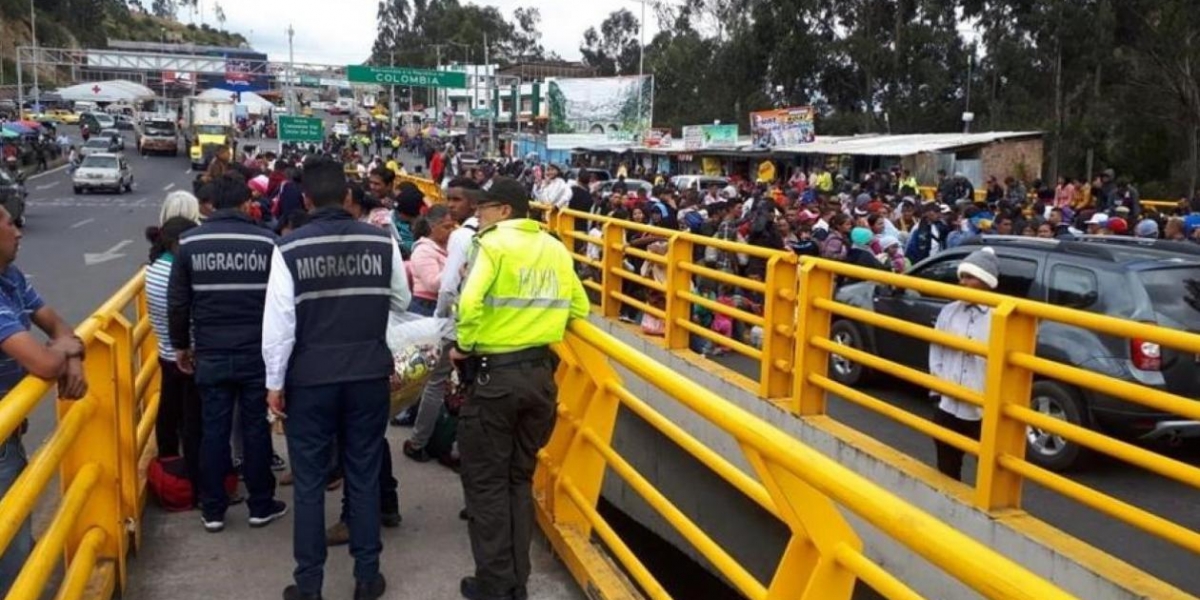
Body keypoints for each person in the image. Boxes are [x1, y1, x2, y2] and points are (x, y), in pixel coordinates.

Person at [262, 157, 410, 600]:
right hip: (368, 374)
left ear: (305, 198)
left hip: (309, 380)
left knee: (308, 484)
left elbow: (279, 326)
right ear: (348, 197)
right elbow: (401, 298)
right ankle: (367, 577)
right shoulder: (382, 241)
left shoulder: (288, 248)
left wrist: (274, 384)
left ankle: (309, 585)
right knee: (363, 475)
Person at [450, 177, 590, 600]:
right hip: (540, 379)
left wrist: (463, 345)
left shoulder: (491, 245)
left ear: (505, 211)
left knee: (486, 484)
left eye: (484, 208)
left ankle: (494, 586)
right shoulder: (555, 248)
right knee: (517, 480)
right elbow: (579, 308)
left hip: (495, 380)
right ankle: (516, 584)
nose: (478, 214)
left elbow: (470, 303)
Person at [167, 172, 287, 534]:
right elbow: (280, 303)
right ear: (245, 203)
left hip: (211, 352)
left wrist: (181, 347)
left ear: (211, 204)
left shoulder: (188, 242)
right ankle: (260, 505)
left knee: (213, 431)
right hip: (256, 353)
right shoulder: (267, 242)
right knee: (255, 430)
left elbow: (178, 303)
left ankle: (214, 509)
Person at [0, 205, 87, 596]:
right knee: (12, 543)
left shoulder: (12, 279)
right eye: (8, 224)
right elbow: (41, 361)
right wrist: (64, 356)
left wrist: (73, 357)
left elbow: (57, 325)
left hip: (10, 429)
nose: (18, 231)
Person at [929, 246, 997, 481]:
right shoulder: (949, 311)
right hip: (948, 404)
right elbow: (936, 352)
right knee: (946, 469)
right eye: (962, 278)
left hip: (982, 409)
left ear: (986, 281)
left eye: (970, 278)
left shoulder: (1000, 317)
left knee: (988, 475)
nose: (963, 283)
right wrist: (939, 390)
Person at [145, 216, 203, 493]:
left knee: (169, 412)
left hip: (165, 351)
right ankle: (195, 479)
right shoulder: (176, 272)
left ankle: (169, 467)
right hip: (185, 354)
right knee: (193, 422)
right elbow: (183, 312)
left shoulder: (155, 267)